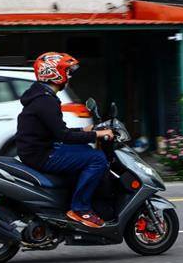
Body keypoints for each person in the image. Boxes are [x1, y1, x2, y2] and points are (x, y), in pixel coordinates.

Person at [16, 52, 114, 228]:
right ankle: (80, 209)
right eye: (66, 71)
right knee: (97, 158)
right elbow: (64, 136)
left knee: (87, 152)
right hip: (43, 155)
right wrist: (96, 135)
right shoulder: (45, 100)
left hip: (41, 150)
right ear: (54, 73)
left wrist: (85, 130)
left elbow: (57, 131)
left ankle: (74, 200)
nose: (69, 76)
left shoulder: (41, 96)